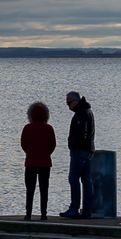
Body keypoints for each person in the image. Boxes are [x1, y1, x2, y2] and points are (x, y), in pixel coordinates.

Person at [59, 90, 95, 218]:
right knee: (86, 180)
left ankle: (74, 208)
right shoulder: (88, 112)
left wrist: (72, 145)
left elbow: (81, 134)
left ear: (75, 101)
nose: (68, 106)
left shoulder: (81, 114)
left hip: (80, 151)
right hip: (88, 150)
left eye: (69, 103)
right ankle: (87, 210)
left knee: (73, 178)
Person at [19, 101, 57, 220]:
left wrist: (30, 153)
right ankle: (43, 214)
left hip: (30, 163)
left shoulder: (27, 128)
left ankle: (28, 214)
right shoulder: (49, 128)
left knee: (30, 190)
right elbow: (53, 145)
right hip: (45, 163)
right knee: (44, 189)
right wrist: (46, 154)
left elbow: (23, 144)